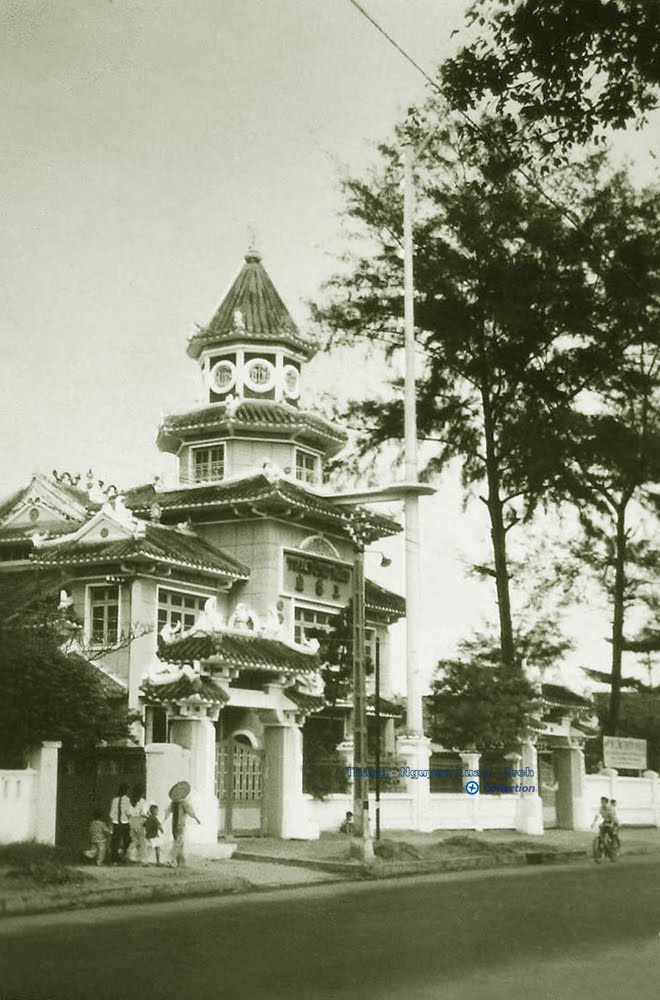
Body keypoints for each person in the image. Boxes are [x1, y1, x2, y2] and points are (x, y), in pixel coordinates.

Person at [164, 782, 200, 867]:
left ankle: (181, 861)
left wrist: (165, 817)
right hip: (180, 825)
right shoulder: (183, 803)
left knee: (179, 843)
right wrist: (196, 818)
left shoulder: (175, 803)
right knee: (178, 843)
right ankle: (171, 859)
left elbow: (168, 811)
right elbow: (190, 811)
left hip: (175, 825)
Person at [109, 782, 132, 863]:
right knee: (127, 840)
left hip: (116, 823)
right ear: (126, 791)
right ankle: (123, 857)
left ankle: (115, 859)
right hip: (124, 822)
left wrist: (112, 822)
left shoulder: (114, 800)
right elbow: (128, 812)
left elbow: (111, 813)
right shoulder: (127, 800)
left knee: (115, 841)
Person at [128, 785, 148, 864]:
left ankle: (129, 853)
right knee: (142, 841)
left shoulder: (130, 800)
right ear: (142, 793)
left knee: (135, 840)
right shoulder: (142, 801)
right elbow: (143, 812)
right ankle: (141, 858)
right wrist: (147, 816)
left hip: (131, 821)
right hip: (139, 821)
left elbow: (128, 812)